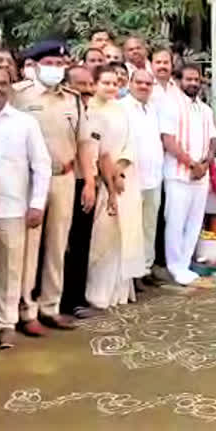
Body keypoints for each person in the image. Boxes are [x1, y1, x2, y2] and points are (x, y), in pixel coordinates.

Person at [13, 41, 95, 334]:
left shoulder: (72, 98)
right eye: (50, 63)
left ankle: (51, 306)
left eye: (61, 65)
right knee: (30, 247)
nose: (56, 69)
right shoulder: (19, 96)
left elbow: (84, 142)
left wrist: (89, 182)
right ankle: (26, 310)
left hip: (64, 178)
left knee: (58, 246)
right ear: (34, 65)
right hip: (31, 181)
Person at [0, 64, 51, 350]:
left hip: (15, 208)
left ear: (10, 87)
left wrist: (37, 204)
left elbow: (41, 165)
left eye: (2, 83)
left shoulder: (25, 122)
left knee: (11, 270)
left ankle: (6, 323)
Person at [83, 66, 144, 311]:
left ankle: (119, 291)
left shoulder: (121, 109)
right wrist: (111, 177)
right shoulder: (90, 111)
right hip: (102, 180)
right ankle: (97, 292)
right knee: (103, 236)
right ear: (95, 83)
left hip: (126, 177)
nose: (110, 87)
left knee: (125, 234)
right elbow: (96, 151)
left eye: (114, 83)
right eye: (105, 82)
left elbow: (130, 143)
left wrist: (121, 168)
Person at [161, 63, 216, 285]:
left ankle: (185, 264)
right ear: (178, 81)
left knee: (194, 222)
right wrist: (191, 164)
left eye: (197, 79)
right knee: (176, 222)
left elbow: (213, 141)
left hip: (201, 176)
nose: (193, 83)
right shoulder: (170, 105)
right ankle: (175, 267)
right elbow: (168, 141)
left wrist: (204, 164)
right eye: (189, 79)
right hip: (178, 174)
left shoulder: (205, 109)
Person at [119, 69, 164, 288]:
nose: (144, 87)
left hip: (153, 178)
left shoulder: (152, 109)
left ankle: (146, 269)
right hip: (131, 179)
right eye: (140, 83)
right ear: (130, 83)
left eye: (148, 83)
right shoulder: (122, 108)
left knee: (149, 227)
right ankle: (132, 276)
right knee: (132, 229)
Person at [60, 65, 97, 316]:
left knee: (81, 242)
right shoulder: (61, 111)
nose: (86, 91)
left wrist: (91, 183)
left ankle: (75, 298)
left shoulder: (96, 114)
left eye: (89, 85)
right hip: (62, 182)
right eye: (79, 85)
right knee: (57, 245)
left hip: (88, 184)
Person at [150, 47, 181, 112]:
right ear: (151, 65)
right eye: (158, 62)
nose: (162, 66)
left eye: (166, 62)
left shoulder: (179, 88)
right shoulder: (144, 86)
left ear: (172, 65)